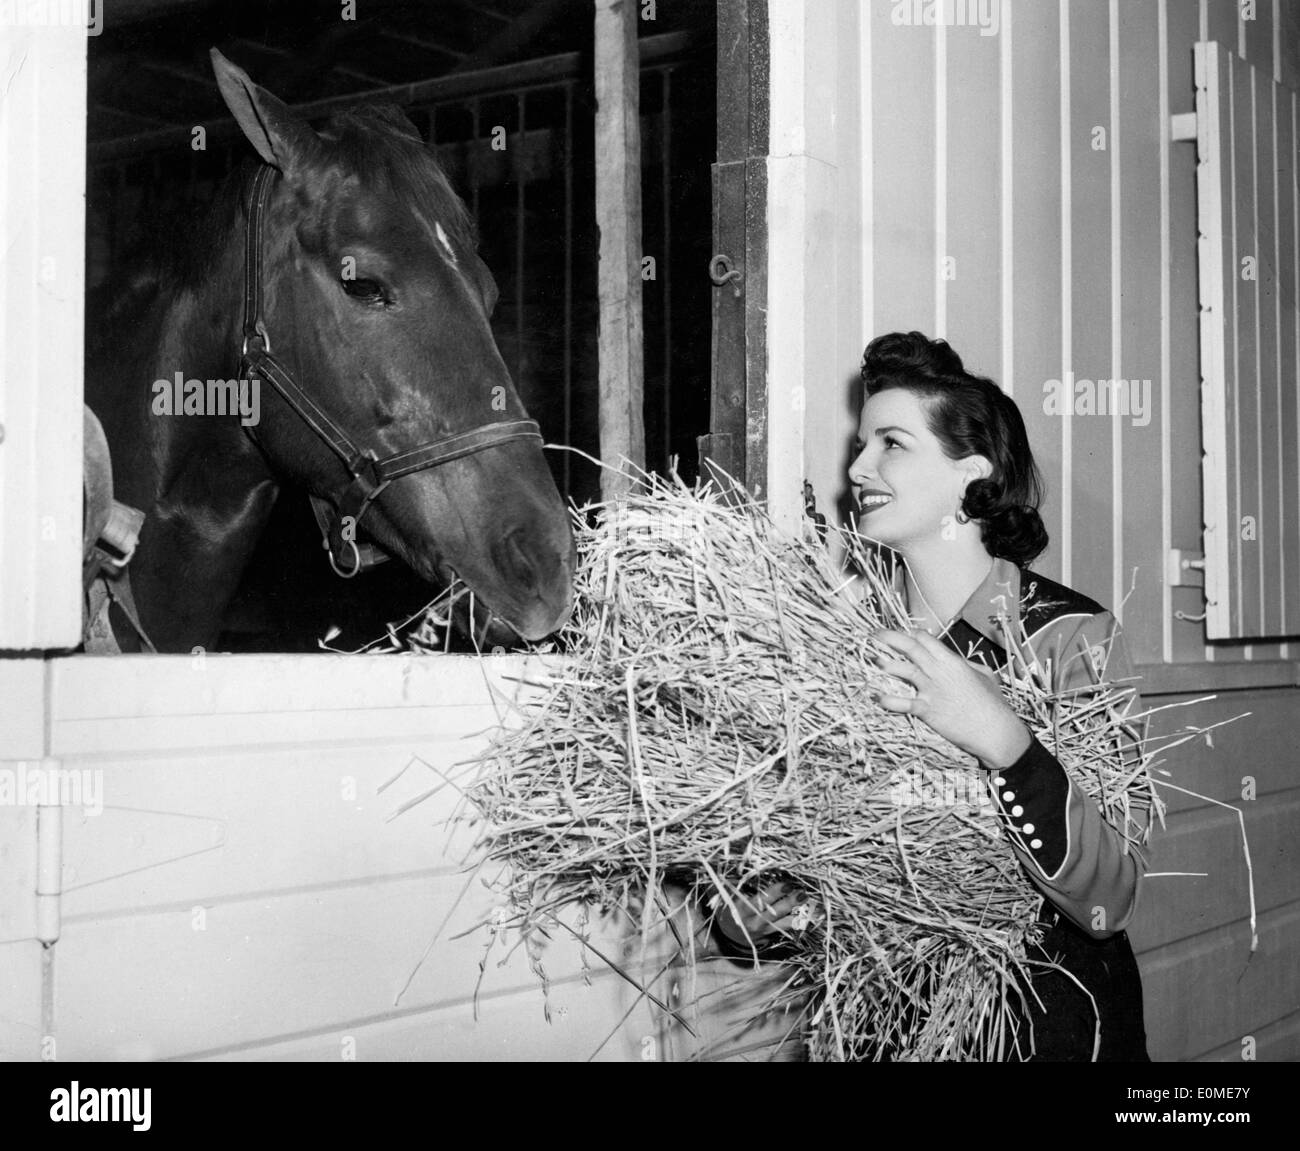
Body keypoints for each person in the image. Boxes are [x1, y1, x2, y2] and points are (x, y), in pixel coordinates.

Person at [712, 330, 1151, 1062]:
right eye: (861, 444)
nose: (857, 467)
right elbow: (759, 918)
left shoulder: (1069, 636)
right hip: (891, 1029)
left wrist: (1001, 739)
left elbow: (1112, 894)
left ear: (970, 473)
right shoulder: (839, 650)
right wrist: (766, 894)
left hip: (1050, 1026)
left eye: (891, 443)